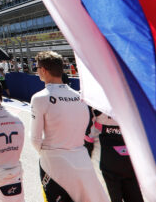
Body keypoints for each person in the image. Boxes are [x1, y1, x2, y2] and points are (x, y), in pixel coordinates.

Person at [30, 51, 109, 202]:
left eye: (37, 67)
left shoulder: (39, 98)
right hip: (82, 160)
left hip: (54, 164)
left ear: (43, 70)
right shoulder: (80, 96)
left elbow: (34, 139)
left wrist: (50, 152)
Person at [89, 110, 144, 202]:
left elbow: (86, 136)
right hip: (129, 157)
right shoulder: (132, 98)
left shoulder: (92, 99)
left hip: (105, 159)